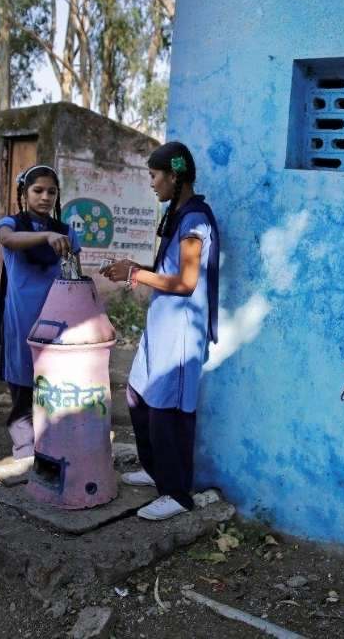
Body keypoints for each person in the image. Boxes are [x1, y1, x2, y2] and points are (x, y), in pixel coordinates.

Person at [101, 141, 220, 521]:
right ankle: (157, 473)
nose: (152, 183)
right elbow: (168, 270)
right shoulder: (177, 214)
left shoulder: (196, 219)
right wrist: (135, 266)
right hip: (161, 325)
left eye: (154, 175)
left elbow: (186, 282)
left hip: (182, 331)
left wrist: (136, 273)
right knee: (138, 395)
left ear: (175, 175)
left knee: (169, 411)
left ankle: (177, 493)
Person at [0, 165, 81, 475]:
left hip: (59, 321)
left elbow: (74, 272)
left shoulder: (67, 232)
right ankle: (23, 448)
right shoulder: (11, 224)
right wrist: (45, 235)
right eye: (38, 190)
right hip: (22, 319)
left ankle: (52, 443)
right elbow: (7, 239)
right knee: (22, 384)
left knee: (55, 385)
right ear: (24, 193)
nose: (45, 197)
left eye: (51, 192)